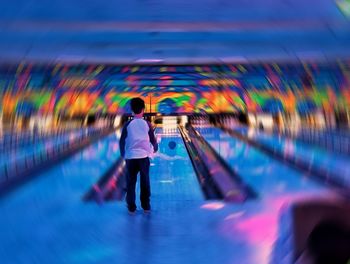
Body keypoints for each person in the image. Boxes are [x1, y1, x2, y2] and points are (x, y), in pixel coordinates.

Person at [119, 97, 158, 214]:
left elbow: (122, 141)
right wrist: (155, 148)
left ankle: (131, 207)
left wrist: (123, 154)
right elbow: (153, 139)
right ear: (143, 110)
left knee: (131, 182)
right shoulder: (147, 124)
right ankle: (146, 206)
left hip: (130, 158)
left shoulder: (127, 124)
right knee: (145, 181)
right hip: (143, 157)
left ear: (131, 110)